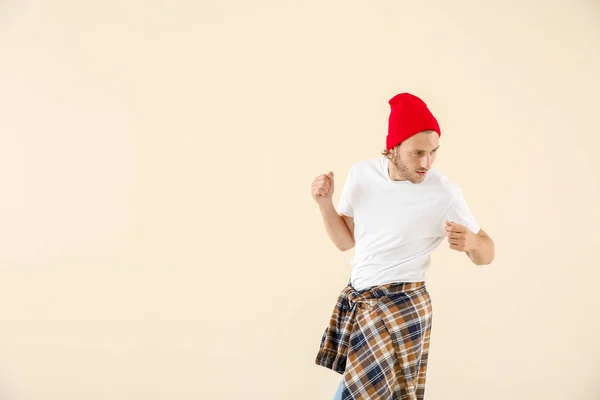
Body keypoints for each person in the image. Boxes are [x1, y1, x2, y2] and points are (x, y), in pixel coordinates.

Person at [311, 92, 495, 399]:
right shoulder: (362, 175)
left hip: (403, 305)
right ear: (393, 148)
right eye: (417, 153)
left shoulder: (443, 192)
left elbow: (487, 253)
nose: (427, 163)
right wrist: (324, 204)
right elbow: (345, 242)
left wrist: (472, 242)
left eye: (433, 153)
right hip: (362, 302)